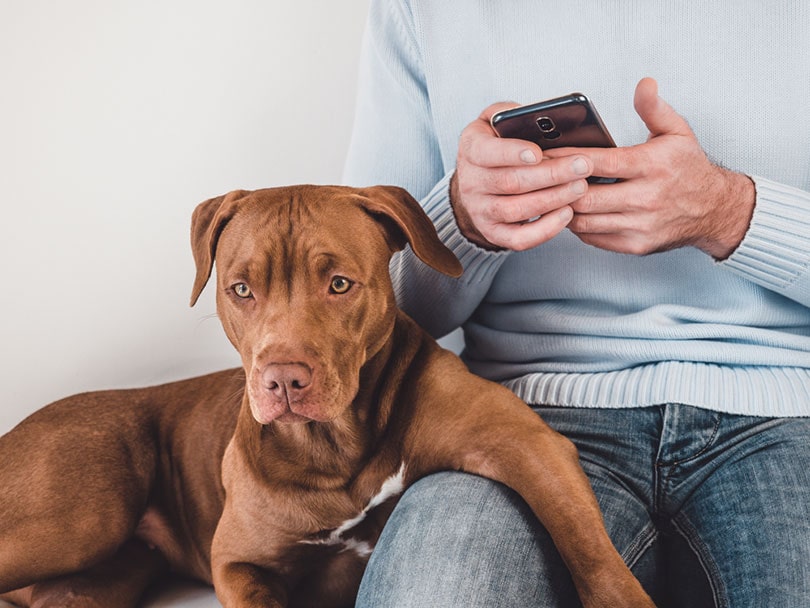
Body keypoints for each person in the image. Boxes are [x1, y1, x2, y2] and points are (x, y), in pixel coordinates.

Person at [342, 1, 810, 606]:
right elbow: (370, 317)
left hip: (787, 408)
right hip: (518, 415)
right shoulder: (419, 11)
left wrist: (730, 213)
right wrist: (461, 220)